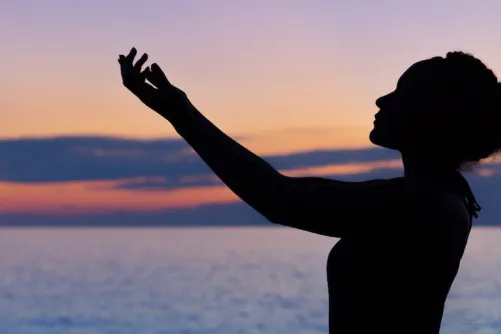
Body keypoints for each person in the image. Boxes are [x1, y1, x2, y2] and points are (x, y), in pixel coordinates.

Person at [118, 47, 498, 333]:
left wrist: (181, 114)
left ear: (433, 113)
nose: (383, 100)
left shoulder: (423, 204)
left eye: (403, 92)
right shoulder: (441, 197)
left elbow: (279, 199)